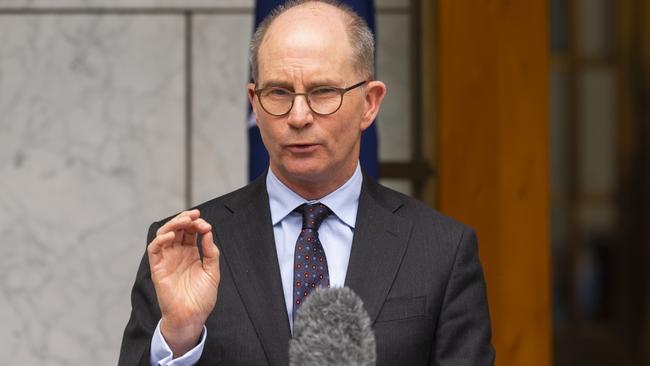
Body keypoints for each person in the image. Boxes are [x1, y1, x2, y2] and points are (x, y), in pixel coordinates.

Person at [118, 1, 495, 365]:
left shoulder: (441, 251)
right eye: (279, 93)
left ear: (370, 103)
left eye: (323, 92)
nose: (299, 116)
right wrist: (180, 335)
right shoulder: (187, 246)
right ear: (254, 101)